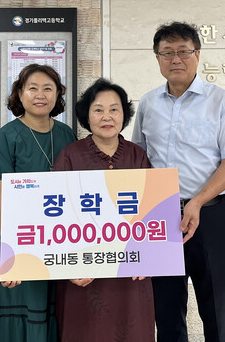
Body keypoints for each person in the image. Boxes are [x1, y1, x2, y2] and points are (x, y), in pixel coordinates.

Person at [132, 21, 225, 342]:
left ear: (197, 55)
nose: (176, 59)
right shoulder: (148, 103)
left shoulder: (222, 101)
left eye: (183, 51)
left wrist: (197, 202)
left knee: (215, 308)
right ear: (157, 58)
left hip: (210, 214)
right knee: (167, 309)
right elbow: (140, 159)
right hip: (161, 217)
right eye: (167, 53)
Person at [53, 78, 155, 342]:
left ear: (124, 115)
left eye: (114, 109)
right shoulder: (70, 156)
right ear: (87, 115)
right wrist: (70, 267)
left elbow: (151, 212)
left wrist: (149, 257)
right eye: (98, 109)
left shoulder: (137, 155)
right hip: (83, 272)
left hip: (131, 272)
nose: (106, 116)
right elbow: (55, 217)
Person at [0, 64, 76, 342]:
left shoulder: (67, 135)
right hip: (19, 238)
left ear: (57, 94)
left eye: (48, 88)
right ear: (20, 94)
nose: (40, 95)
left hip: (58, 238)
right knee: (21, 305)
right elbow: (2, 199)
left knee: (53, 306)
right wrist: (11, 256)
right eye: (32, 88)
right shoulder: (6, 137)